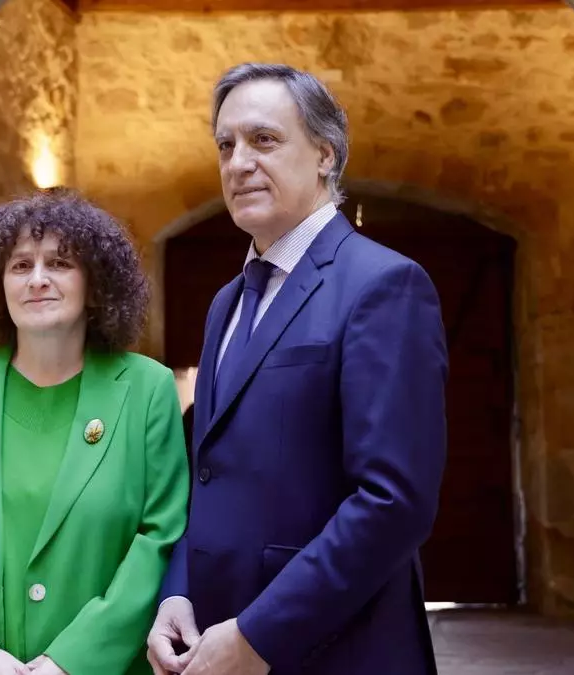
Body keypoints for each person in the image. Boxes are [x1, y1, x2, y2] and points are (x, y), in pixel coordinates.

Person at [146, 63, 449, 675]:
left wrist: (258, 636)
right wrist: (176, 593)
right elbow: (209, 475)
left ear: (324, 155)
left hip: (338, 651)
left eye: (264, 139)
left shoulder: (385, 285)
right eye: (225, 145)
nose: (238, 162)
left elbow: (393, 503)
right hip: (211, 644)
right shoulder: (225, 303)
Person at [0, 188, 191, 675]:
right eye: (20, 265)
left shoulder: (147, 389)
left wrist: (71, 662)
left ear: (95, 282)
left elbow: (160, 537)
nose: (37, 279)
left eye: (60, 263)